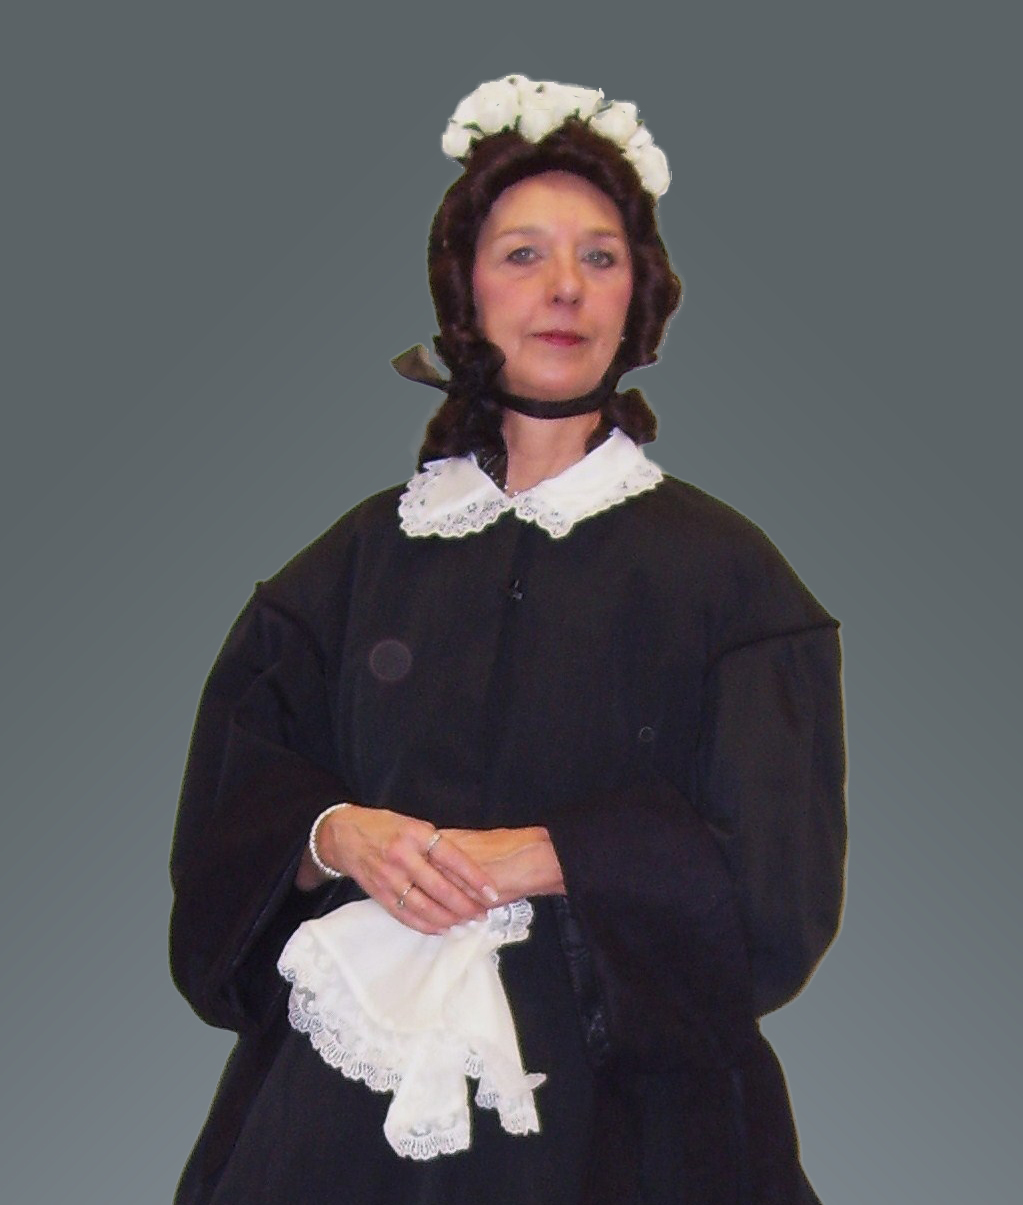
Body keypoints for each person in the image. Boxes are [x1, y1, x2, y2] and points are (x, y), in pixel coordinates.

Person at [170, 74, 847, 1205]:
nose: (564, 287)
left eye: (599, 257)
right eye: (523, 254)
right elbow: (228, 820)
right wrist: (337, 834)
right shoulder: (352, 564)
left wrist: (550, 853)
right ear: (465, 290)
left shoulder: (731, 581)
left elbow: (780, 894)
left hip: (632, 1133)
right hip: (343, 1120)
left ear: (638, 298)